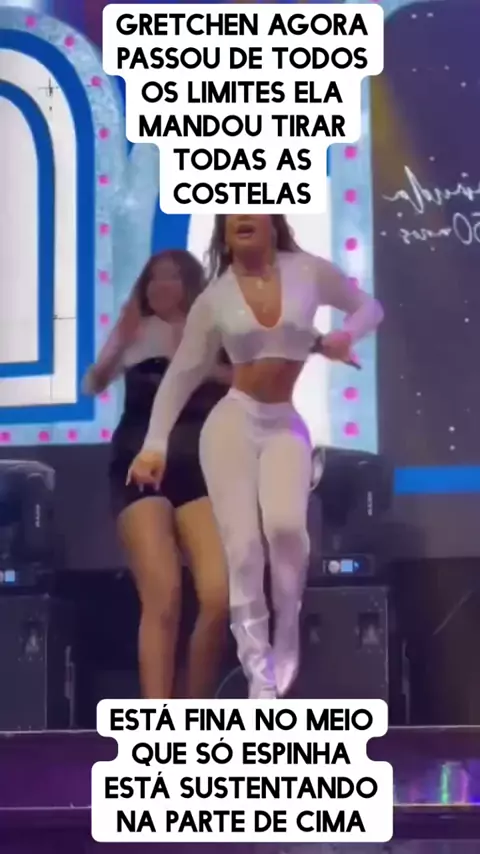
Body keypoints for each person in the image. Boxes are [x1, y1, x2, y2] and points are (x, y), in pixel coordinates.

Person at [127, 216, 384, 699]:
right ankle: (259, 675)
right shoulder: (216, 297)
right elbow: (182, 374)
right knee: (243, 549)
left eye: (253, 207)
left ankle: (286, 625)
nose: (243, 216)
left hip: (284, 425)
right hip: (232, 425)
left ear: (271, 220)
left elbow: (370, 307)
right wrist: (154, 444)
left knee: (286, 529)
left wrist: (347, 335)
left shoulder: (308, 271)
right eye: (232, 214)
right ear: (224, 233)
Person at [83, 250, 230, 699]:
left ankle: (195, 709)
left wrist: (198, 360)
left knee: (220, 595)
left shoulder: (213, 330)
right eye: (153, 279)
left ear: (190, 284)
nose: (160, 286)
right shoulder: (136, 330)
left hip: (199, 470)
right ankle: (157, 718)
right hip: (140, 466)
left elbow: (249, 383)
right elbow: (93, 383)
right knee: (163, 596)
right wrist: (118, 344)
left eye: (171, 278)